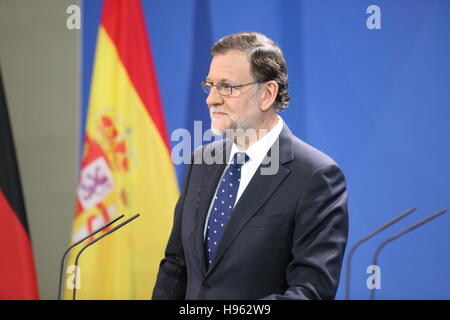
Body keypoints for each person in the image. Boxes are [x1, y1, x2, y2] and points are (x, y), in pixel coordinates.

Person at [152, 32, 348, 300]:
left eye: (227, 87)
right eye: (210, 85)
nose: (211, 99)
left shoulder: (316, 176)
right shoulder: (201, 162)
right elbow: (176, 266)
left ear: (267, 94)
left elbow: (311, 292)